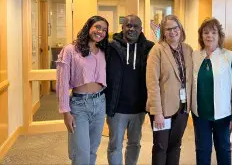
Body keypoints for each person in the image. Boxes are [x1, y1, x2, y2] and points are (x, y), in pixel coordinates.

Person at [56, 15, 109, 165]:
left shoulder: (103, 51)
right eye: (97, 27)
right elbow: (62, 84)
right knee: (81, 153)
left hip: (100, 104)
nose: (100, 32)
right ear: (89, 27)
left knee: (93, 149)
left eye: (104, 30)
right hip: (79, 106)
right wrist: (66, 113)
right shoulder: (71, 50)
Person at [191, 17, 232, 165]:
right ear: (201, 36)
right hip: (200, 114)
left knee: (223, 150)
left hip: (223, 115)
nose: (209, 36)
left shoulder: (229, 56)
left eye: (213, 32)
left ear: (219, 35)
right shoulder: (195, 56)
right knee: (202, 150)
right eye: (205, 32)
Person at [105, 15, 154, 165]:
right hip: (117, 108)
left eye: (135, 26)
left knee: (134, 144)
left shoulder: (149, 48)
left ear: (141, 30)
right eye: (128, 25)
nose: (131, 29)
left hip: (138, 109)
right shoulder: (110, 47)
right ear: (122, 27)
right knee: (115, 146)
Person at [146, 14, 193, 165]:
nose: (172, 32)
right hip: (163, 109)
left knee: (176, 146)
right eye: (168, 29)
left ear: (180, 28)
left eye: (175, 28)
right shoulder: (157, 50)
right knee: (160, 146)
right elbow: (152, 83)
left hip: (182, 107)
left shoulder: (188, 49)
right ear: (163, 32)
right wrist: (157, 113)